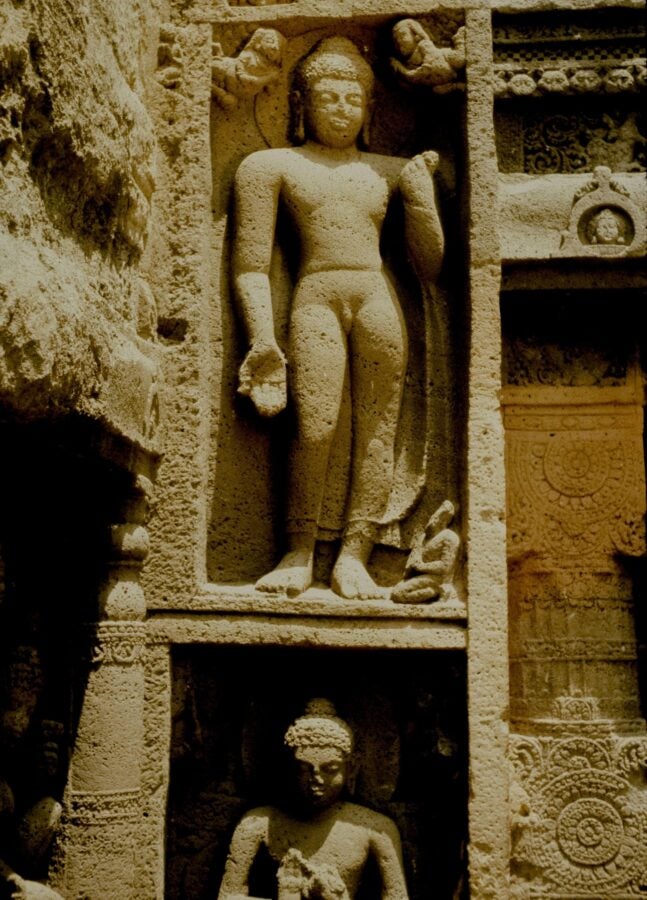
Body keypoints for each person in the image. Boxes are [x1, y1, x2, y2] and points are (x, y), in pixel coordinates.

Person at [233, 37, 444, 600]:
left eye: (353, 100)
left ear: (369, 109)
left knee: (379, 431)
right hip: (317, 294)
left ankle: (355, 556)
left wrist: (421, 199)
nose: (342, 110)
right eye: (329, 98)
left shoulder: (392, 171)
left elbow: (430, 264)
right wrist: (261, 338)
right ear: (302, 105)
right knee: (316, 424)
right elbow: (251, 266)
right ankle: (299, 550)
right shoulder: (270, 165)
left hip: (377, 298)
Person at [217, 699, 409, 900]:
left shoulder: (377, 829)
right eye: (304, 769)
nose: (317, 779)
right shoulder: (256, 824)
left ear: (351, 769)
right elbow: (228, 895)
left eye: (330, 769)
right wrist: (290, 894)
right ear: (288, 767)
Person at [391, 500, 459, 604]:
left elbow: (445, 567)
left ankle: (436, 593)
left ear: (443, 520)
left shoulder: (449, 537)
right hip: (421, 577)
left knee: (398, 594)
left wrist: (421, 566)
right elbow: (414, 561)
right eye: (433, 517)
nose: (432, 519)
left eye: (436, 517)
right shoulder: (424, 538)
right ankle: (433, 593)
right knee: (396, 590)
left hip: (438, 579)